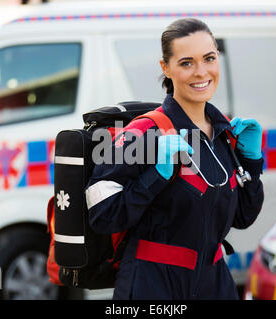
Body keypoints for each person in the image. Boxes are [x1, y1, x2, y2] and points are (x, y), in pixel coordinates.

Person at [85, 18, 264, 300]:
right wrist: (156, 175)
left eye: (209, 58)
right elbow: (103, 216)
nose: (201, 72)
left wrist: (251, 162)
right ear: (165, 68)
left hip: (214, 282)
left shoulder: (223, 132)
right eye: (186, 63)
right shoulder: (143, 133)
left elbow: (243, 217)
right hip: (153, 284)